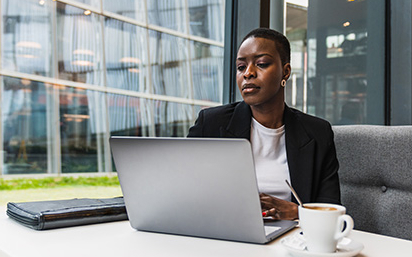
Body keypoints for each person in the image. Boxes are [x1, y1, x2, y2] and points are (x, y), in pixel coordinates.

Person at [187, 28, 340, 220]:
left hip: (291, 241)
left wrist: (296, 213)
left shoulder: (317, 133)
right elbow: (184, 191)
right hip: (224, 235)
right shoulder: (211, 124)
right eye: (241, 67)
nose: (248, 73)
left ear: (285, 72)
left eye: (261, 64)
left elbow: (332, 212)